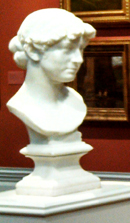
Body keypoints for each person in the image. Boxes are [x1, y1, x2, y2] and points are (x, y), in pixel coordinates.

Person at [7, 8, 97, 146]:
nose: (79, 59)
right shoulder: (21, 105)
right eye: (67, 49)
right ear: (32, 51)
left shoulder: (76, 101)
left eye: (81, 49)